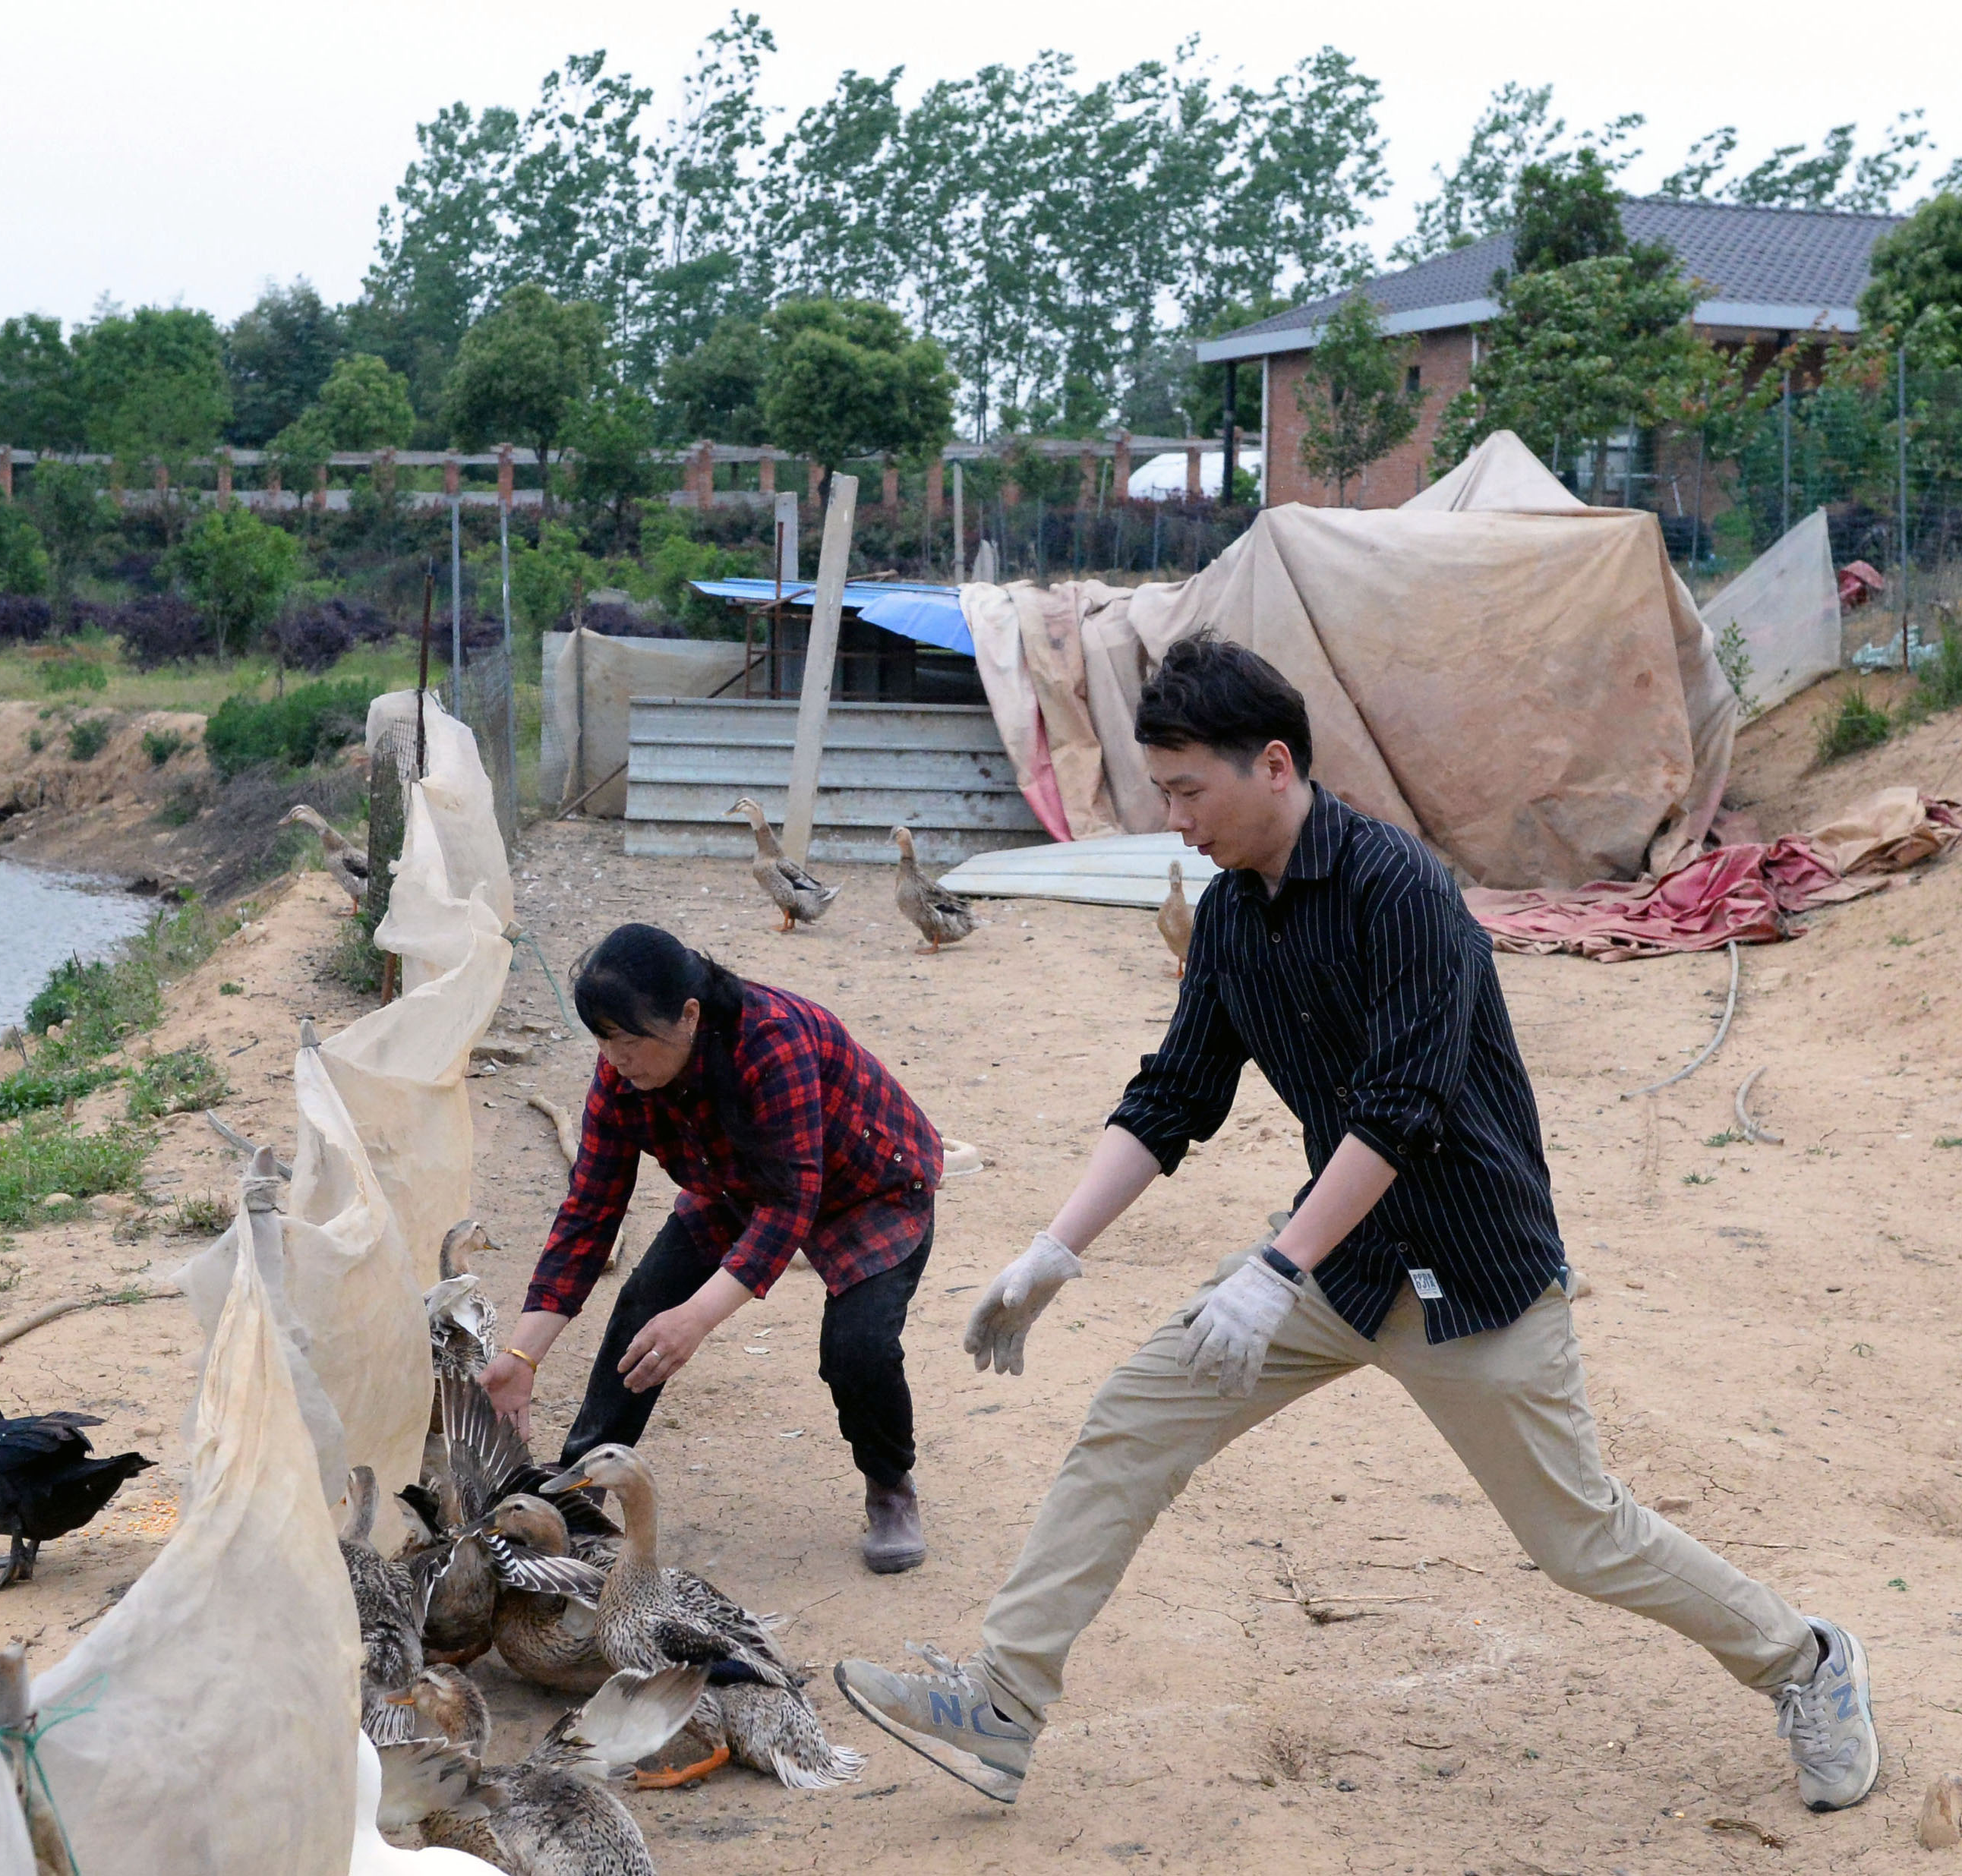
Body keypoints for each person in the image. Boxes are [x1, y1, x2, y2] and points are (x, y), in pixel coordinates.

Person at [832, 636, 1880, 1812]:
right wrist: (1055, 1248)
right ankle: (1005, 1699)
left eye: (1188, 790)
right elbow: (1176, 1092)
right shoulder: (1232, 914)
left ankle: (1809, 1660)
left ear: (1273, 764)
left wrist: (1275, 1263)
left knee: (1582, 1537)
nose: (1174, 820)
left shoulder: (1403, 889)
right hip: (1336, 1266)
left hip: (1471, 1274)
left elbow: (1404, 1107)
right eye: (1161, 791)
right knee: (1132, 1420)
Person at [480, 922, 945, 1572]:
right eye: (604, 1039)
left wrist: (698, 1318)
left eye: (631, 1039)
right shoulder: (623, 1074)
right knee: (646, 1302)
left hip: (870, 1182)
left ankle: (890, 1486)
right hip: (738, 1182)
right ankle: (580, 1483)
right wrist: (523, 1352)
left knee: (857, 1348)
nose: (616, 1058)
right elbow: (589, 1211)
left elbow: (791, 1205)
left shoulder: (771, 1040)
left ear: (689, 1015)